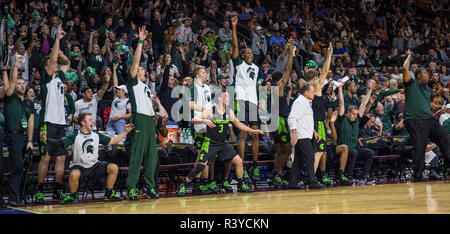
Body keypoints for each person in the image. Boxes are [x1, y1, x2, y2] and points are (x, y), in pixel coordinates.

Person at [176, 89, 264, 196]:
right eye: (225, 97)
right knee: (201, 165)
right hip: (210, 143)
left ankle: (241, 184)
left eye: (228, 97)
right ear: (219, 98)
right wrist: (204, 120)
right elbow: (194, 119)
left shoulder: (229, 111)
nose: (228, 99)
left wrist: (253, 131)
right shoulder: (211, 111)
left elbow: (239, 124)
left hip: (223, 143)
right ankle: (184, 185)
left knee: (238, 161)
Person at [41, 112, 134, 204]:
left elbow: (113, 141)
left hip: (94, 165)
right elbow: (59, 143)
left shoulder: (96, 134)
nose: (92, 122)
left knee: (113, 167)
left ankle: (109, 194)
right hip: (79, 165)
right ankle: (73, 196)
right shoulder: (75, 135)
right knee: (74, 173)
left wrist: (125, 132)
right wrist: (46, 139)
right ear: (83, 123)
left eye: (92, 119)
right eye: (90, 120)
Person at [34, 28, 71, 204]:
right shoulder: (46, 78)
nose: (56, 63)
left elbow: (66, 62)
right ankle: (40, 191)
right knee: (46, 158)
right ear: (47, 66)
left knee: (61, 158)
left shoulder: (59, 77)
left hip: (61, 124)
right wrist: (57, 40)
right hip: (47, 123)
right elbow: (55, 59)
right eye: (52, 62)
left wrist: (62, 52)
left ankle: (58, 190)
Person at [402, 50, 450, 182]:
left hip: (427, 119)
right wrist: (409, 56)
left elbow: (428, 105)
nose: (427, 74)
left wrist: (440, 108)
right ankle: (417, 175)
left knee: (445, 138)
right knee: (420, 145)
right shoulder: (411, 84)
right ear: (417, 76)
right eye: (424, 73)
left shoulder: (428, 89)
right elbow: (404, 69)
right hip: (414, 119)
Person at [126, 26, 160, 200]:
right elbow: (136, 61)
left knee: (151, 158)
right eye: (140, 69)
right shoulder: (132, 82)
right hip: (139, 119)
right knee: (137, 156)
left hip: (149, 121)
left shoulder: (145, 87)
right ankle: (131, 188)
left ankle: (149, 187)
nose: (143, 70)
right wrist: (140, 41)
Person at [230, 16, 262, 184]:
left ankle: (255, 166)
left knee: (255, 134)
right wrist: (234, 27)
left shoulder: (256, 68)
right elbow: (236, 46)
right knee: (243, 133)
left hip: (253, 102)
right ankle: (241, 165)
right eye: (247, 53)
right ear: (242, 56)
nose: (250, 54)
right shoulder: (238, 64)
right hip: (241, 100)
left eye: (251, 53)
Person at [3, 56, 35, 206]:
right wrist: (15, 64)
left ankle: (21, 195)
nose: (22, 86)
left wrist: (29, 140)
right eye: (19, 84)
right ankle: (12, 197)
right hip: (13, 135)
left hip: (24, 137)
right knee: (16, 166)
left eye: (24, 84)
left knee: (24, 168)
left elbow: (30, 122)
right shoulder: (10, 97)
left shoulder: (29, 103)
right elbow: (12, 81)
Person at [336, 82, 376, 184]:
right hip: (343, 148)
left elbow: (363, 104)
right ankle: (348, 176)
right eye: (353, 114)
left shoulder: (357, 119)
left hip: (354, 147)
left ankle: (364, 176)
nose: (355, 116)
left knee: (370, 152)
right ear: (348, 113)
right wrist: (340, 88)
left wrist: (370, 90)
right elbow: (341, 103)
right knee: (353, 152)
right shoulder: (342, 119)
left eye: (356, 114)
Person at [288, 83, 324, 190]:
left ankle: (293, 183)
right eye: (312, 91)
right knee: (310, 157)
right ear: (306, 92)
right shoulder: (300, 102)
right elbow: (292, 118)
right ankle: (312, 182)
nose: (314, 93)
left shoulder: (306, 102)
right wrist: (294, 134)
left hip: (305, 134)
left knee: (298, 160)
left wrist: (314, 132)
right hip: (301, 135)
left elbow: (304, 119)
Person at [270, 41, 295, 188]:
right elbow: (288, 68)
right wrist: (291, 52)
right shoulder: (280, 86)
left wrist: (285, 49)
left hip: (274, 119)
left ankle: (278, 176)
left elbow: (280, 65)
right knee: (288, 150)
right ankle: (276, 171)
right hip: (280, 120)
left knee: (279, 150)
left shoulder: (273, 85)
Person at [309, 42, 333, 186]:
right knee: (318, 152)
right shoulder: (316, 87)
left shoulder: (306, 88)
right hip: (317, 123)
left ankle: (311, 178)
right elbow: (325, 71)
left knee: (315, 153)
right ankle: (312, 180)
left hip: (310, 123)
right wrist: (329, 54)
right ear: (315, 77)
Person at [105, 63, 131, 134]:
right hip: (111, 120)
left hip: (120, 121)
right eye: (117, 89)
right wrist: (114, 70)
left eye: (119, 89)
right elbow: (115, 83)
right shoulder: (115, 97)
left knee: (120, 139)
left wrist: (120, 116)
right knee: (109, 139)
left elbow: (130, 114)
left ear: (124, 92)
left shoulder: (127, 101)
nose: (117, 90)